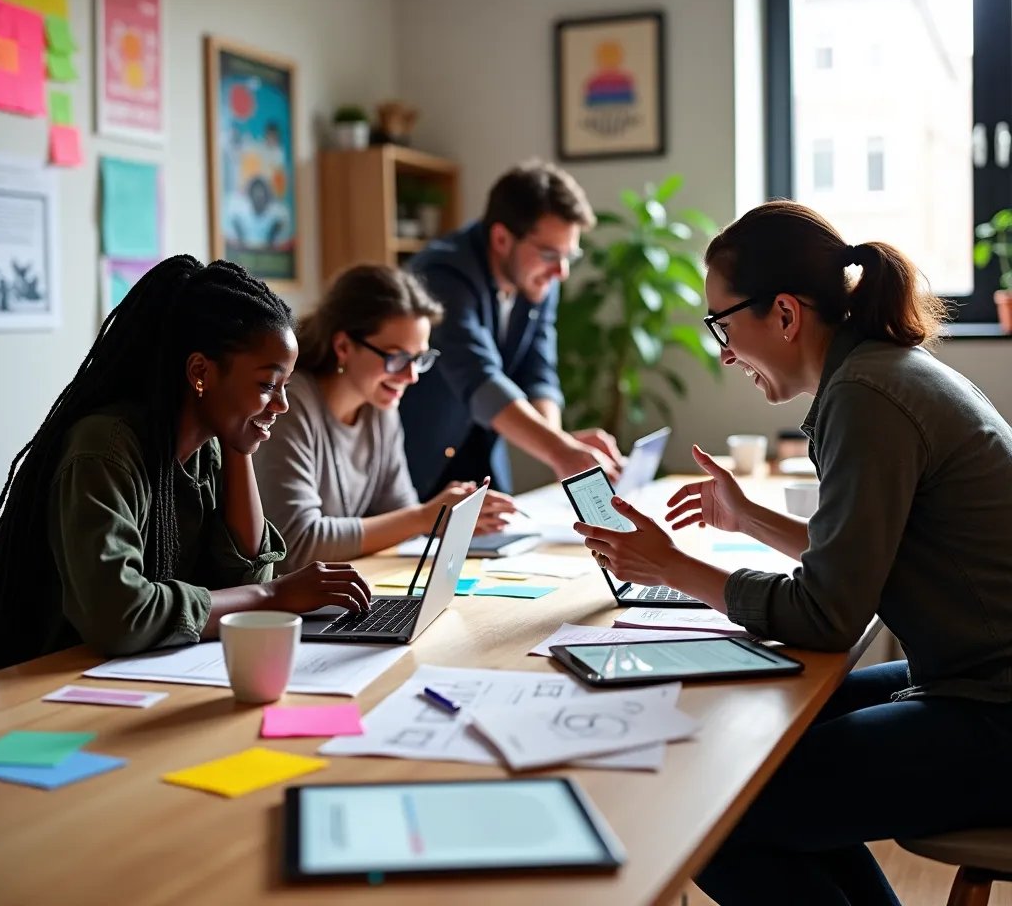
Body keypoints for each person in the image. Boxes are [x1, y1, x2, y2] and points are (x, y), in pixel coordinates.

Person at [573, 200, 1012, 905]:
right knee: (764, 746)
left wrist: (672, 567)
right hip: (973, 679)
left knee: (717, 809)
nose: (720, 350)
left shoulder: (868, 395)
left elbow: (828, 615)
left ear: (783, 313)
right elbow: (867, 553)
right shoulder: (880, 373)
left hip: (994, 708)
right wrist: (750, 519)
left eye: (722, 323)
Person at [0, 256, 371, 673]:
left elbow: (247, 583)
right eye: (266, 385)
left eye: (284, 386)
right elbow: (121, 618)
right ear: (200, 372)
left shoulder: (209, 449)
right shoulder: (105, 449)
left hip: (136, 676)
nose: (281, 405)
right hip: (53, 685)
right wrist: (272, 597)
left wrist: (240, 447)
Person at [254, 264, 517, 573]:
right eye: (397, 358)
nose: (412, 376)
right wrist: (425, 517)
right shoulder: (290, 404)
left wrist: (447, 514)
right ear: (343, 347)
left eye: (419, 359)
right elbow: (295, 545)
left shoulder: (380, 409)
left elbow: (400, 515)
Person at [400, 159, 624, 498]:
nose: (561, 272)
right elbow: (479, 378)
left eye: (569, 256)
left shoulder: (538, 277)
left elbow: (538, 372)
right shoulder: (442, 274)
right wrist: (560, 450)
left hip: (482, 455)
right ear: (502, 238)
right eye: (550, 254)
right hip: (420, 463)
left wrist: (560, 444)